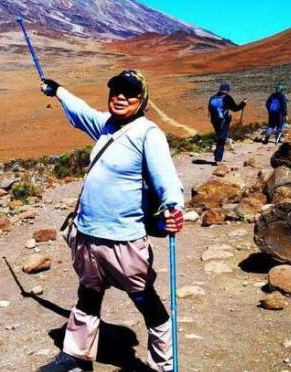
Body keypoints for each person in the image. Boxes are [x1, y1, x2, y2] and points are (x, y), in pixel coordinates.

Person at [37, 70, 185, 372]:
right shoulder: (106, 125)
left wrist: (174, 206)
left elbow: (166, 178)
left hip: (124, 238)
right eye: (115, 90)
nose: (120, 97)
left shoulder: (147, 133)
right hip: (89, 234)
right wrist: (59, 90)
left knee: (146, 300)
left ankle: (164, 365)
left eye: (129, 93)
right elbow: (81, 111)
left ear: (142, 99)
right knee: (88, 293)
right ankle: (77, 355)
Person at [208, 82, 247, 165]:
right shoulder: (227, 97)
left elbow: (210, 109)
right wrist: (243, 103)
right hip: (223, 121)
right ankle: (218, 159)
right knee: (221, 139)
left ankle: (216, 153)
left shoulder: (213, 97)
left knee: (219, 137)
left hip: (214, 120)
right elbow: (236, 108)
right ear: (228, 90)